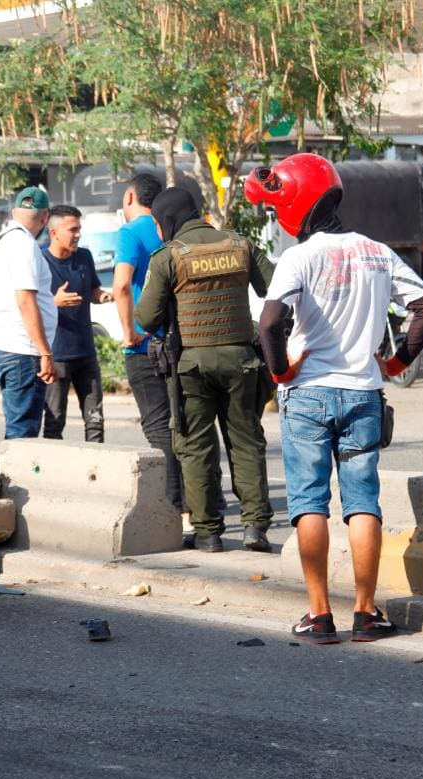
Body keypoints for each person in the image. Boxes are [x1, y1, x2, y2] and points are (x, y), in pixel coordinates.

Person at [245, 153, 423, 644]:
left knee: (310, 503)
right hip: (363, 396)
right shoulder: (376, 251)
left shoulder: (299, 257)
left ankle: (318, 616)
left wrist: (280, 371)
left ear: (294, 202)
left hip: (308, 395)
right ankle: (366, 613)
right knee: (362, 504)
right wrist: (395, 364)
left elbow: (270, 323)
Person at [134, 187, 275, 554]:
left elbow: (147, 318)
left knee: (195, 447)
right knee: (245, 442)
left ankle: (209, 533)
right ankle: (255, 527)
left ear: (167, 219)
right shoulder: (241, 245)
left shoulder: (167, 258)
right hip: (241, 361)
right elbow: (278, 290)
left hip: (192, 366)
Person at [113, 173, 187, 525]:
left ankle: (171, 503)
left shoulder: (130, 232)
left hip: (144, 345)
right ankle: (195, 499)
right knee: (183, 424)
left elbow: (122, 284)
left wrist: (129, 332)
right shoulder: (166, 231)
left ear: (130, 196)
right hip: (179, 341)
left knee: (157, 426)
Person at [0, 186, 57, 439]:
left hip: (3, 346)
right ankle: (14, 479)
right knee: (22, 434)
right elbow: (25, 301)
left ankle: (11, 477)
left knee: (17, 428)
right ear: (45, 217)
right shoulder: (25, 245)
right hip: (22, 351)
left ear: (14, 212)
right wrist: (45, 352)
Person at [40, 204, 112, 442]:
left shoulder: (84, 256)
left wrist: (102, 296)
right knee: (54, 423)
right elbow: (27, 304)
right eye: (72, 229)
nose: (78, 234)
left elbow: (93, 289)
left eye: (79, 229)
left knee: (95, 421)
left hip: (86, 353)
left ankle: (96, 472)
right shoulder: (40, 260)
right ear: (54, 232)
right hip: (56, 355)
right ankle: (49, 475)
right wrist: (54, 302)